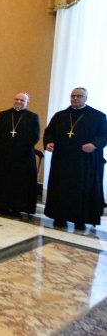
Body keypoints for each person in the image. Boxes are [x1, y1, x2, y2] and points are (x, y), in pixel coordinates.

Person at [44, 87, 107, 230]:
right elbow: (49, 132)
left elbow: (104, 135)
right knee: (61, 188)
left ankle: (81, 220)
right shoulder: (60, 116)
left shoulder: (98, 116)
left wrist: (94, 145)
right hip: (62, 160)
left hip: (85, 162)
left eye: (79, 96)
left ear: (86, 98)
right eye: (73, 96)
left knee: (82, 190)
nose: (75, 98)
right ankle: (59, 217)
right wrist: (49, 142)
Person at [0, 92, 40, 216]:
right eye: (17, 99)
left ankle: (17, 207)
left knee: (19, 183)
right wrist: (2, 147)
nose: (19, 102)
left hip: (23, 157)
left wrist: (20, 150)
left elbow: (35, 136)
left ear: (27, 102)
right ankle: (0, 205)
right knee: (2, 181)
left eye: (22, 100)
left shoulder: (33, 117)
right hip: (3, 155)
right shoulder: (3, 114)